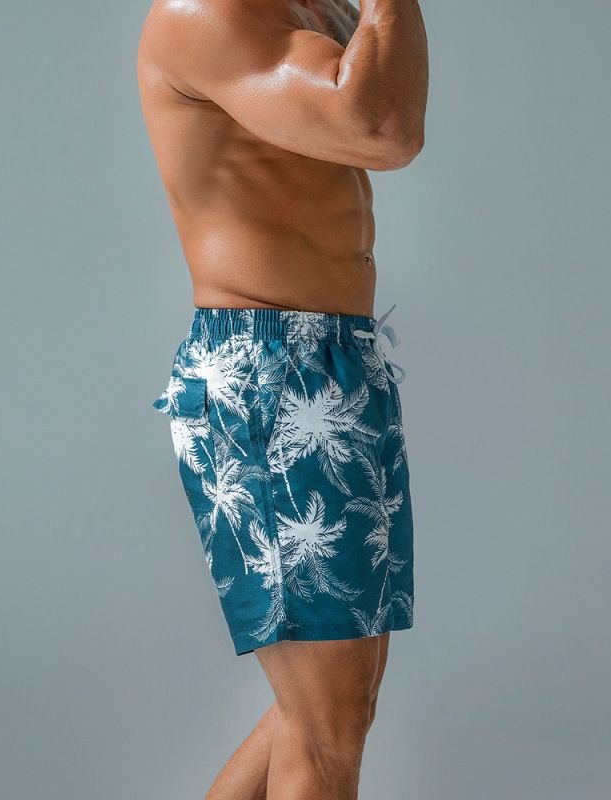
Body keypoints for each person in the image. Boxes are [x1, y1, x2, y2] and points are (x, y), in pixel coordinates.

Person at [136, 0, 428, 795]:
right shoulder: (206, 12)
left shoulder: (317, 5)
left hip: (342, 361)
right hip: (270, 378)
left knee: (334, 710)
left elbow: (391, 115)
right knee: (327, 729)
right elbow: (380, 127)